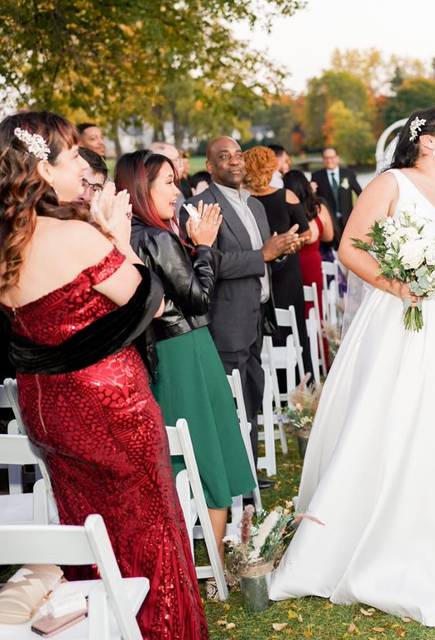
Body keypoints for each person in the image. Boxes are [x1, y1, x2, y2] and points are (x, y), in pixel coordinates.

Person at [269, 106, 435, 625]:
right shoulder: (391, 183)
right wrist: (399, 285)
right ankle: (378, 537)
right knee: (398, 422)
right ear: (429, 143)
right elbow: (350, 248)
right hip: (404, 321)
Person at [0, 112, 208, 639]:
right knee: (149, 523)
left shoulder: (6, 245)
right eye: (71, 157)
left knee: (88, 528)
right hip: (109, 404)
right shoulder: (73, 237)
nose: (81, 166)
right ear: (43, 171)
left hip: (47, 409)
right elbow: (151, 304)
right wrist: (116, 240)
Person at [119, 149, 256, 562]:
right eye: (168, 182)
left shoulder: (126, 237)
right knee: (207, 449)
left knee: (176, 454)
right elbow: (198, 300)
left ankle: (182, 555)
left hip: (158, 353)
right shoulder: (156, 238)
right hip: (187, 350)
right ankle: (213, 562)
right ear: (143, 187)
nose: (176, 192)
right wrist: (204, 248)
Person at [182, 137, 300, 478]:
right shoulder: (200, 206)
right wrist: (262, 254)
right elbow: (208, 264)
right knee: (230, 404)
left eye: (238, 155)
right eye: (224, 156)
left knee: (252, 394)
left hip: (256, 315)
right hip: (226, 321)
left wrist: (279, 252)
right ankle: (231, 475)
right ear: (209, 165)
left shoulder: (255, 205)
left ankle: (246, 469)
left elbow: (261, 255)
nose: (235, 162)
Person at [243, 146, 312, 380]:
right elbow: (307, 234)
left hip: (259, 271)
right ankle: (302, 379)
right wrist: (294, 243)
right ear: (272, 167)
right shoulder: (286, 196)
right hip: (283, 272)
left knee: (269, 326)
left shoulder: (243, 201)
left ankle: (270, 385)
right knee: (292, 325)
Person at [282, 169, 335, 320]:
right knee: (314, 306)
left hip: (291, 266)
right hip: (312, 263)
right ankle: (318, 340)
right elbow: (329, 236)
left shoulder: (284, 210)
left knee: (295, 309)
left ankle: (299, 340)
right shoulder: (318, 208)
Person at [316, 146, 363, 232]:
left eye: (332, 157)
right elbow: (314, 199)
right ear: (323, 159)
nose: (329, 160)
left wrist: (358, 213)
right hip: (329, 222)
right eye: (326, 158)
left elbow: (360, 194)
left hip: (348, 220)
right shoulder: (316, 176)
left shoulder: (348, 174)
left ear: (337, 158)